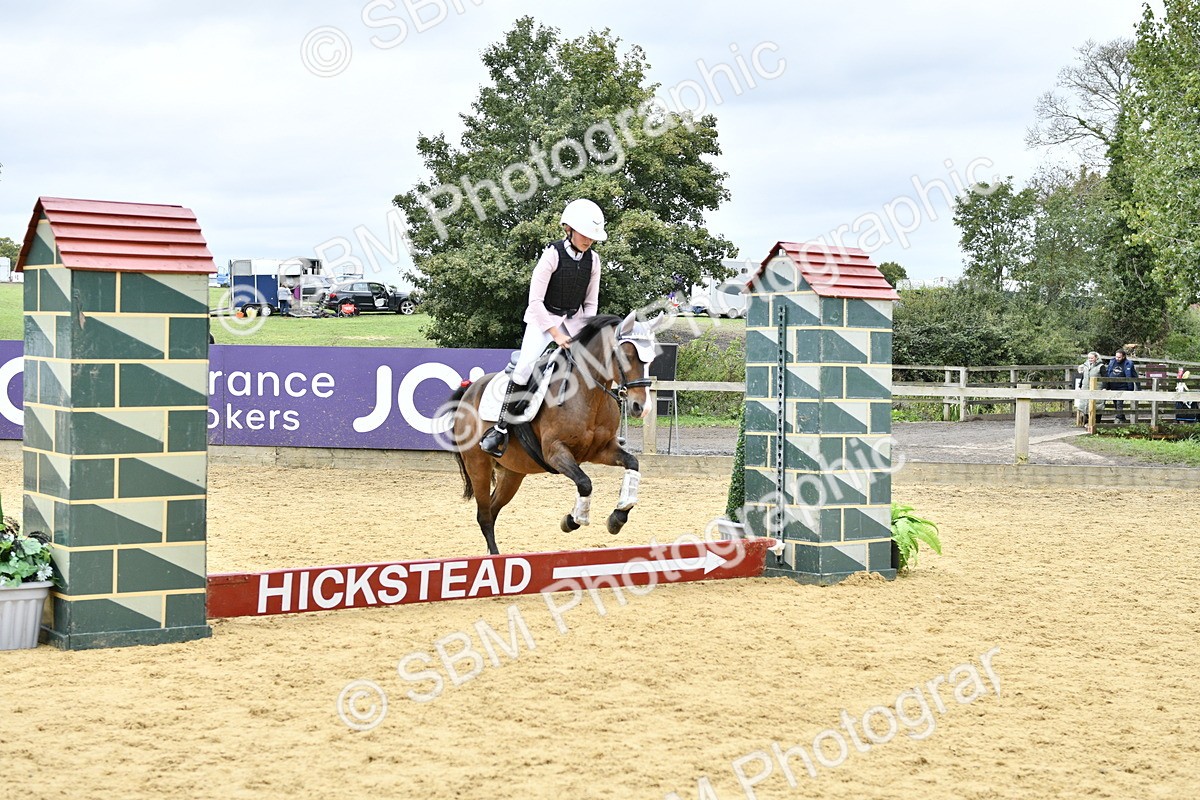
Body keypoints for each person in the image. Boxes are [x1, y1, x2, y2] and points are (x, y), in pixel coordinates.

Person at [479, 198, 607, 457]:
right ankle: (500, 430)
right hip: (542, 319)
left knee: (594, 364)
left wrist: (586, 331)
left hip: (574, 320)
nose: (589, 240)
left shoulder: (594, 261)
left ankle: (602, 427)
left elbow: (591, 303)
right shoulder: (551, 255)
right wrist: (555, 333)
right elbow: (535, 301)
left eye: (593, 237)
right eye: (585, 234)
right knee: (525, 368)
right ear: (568, 229)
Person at [1104, 349, 1138, 423]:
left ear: (1123, 356)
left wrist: (1137, 387)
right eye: (1116, 357)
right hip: (1113, 386)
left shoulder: (1129, 364)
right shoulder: (1112, 362)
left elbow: (1134, 375)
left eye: (1119, 357)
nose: (1117, 359)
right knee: (1116, 403)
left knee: (1119, 402)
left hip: (1123, 386)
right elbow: (1108, 373)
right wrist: (1106, 385)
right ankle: (1122, 418)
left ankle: (1118, 418)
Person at [1075, 351, 1104, 420]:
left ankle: (1096, 422)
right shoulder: (1085, 366)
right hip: (1086, 388)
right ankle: (1087, 421)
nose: (1090, 359)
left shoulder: (1101, 366)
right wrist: (1080, 386)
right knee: (1085, 405)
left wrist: (1105, 387)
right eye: (1089, 358)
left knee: (1097, 405)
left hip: (1097, 388)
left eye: (1092, 358)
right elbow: (1083, 376)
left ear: (1096, 358)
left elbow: (1104, 377)